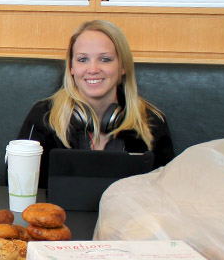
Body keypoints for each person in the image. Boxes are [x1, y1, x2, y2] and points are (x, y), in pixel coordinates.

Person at [17, 20, 173, 187]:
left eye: (105, 59)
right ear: (71, 67)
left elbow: (169, 190)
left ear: (122, 66)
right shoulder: (44, 116)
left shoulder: (151, 121)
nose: (92, 69)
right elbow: (18, 184)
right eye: (83, 59)